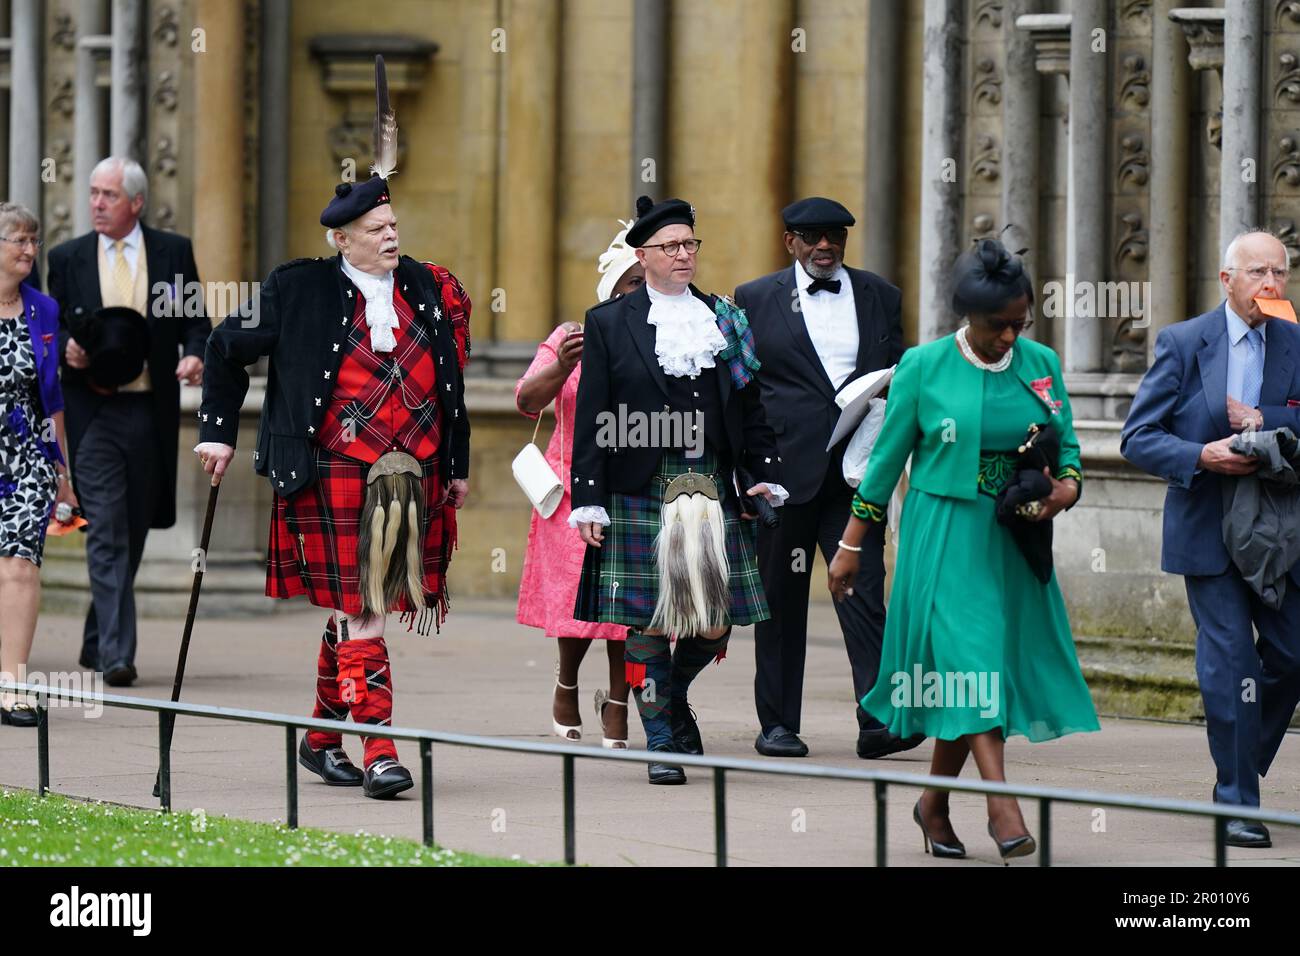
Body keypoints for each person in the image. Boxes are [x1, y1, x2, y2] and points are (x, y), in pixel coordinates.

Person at [194, 58, 472, 799]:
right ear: (343, 238)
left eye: (394, 225)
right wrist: (218, 430)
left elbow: (449, 382)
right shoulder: (298, 288)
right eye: (377, 230)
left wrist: (460, 463)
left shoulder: (427, 286)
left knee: (362, 610)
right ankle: (379, 747)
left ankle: (321, 737)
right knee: (366, 610)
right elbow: (225, 348)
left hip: (411, 479)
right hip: (330, 473)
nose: (392, 237)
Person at [829, 239, 1098, 861]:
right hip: (943, 531)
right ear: (966, 317)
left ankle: (932, 803)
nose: (1010, 336)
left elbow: (1070, 450)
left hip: (1013, 537)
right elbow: (883, 463)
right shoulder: (923, 368)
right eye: (997, 325)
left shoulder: (1040, 363)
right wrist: (851, 546)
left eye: (1019, 323)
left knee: (972, 671)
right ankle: (1001, 804)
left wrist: (1064, 491)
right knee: (972, 656)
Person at [571, 195, 787, 784]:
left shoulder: (724, 318)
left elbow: (750, 403)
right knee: (646, 621)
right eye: (670, 247)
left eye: (690, 244)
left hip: (712, 484)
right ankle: (660, 739)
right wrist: (586, 496)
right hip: (639, 485)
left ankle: (668, 696)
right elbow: (593, 415)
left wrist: (762, 473)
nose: (683, 255)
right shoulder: (609, 322)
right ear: (642, 256)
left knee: (715, 619)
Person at [1121, 229, 1300, 848]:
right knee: (1230, 662)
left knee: (1292, 656)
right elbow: (1137, 436)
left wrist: (1260, 423)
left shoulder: (1297, 342)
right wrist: (1203, 453)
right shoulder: (1183, 341)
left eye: (1279, 272)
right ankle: (1238, 803)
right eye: (1257, 273)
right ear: (1227, 281)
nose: (1271, 285)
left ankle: (1241, 770)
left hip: (1281, 528)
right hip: (1208, 527)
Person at [735, 196, 918, 759]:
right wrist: (747, 474)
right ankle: (779, 725)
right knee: (780, 601)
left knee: (864, 594)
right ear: (789, 239)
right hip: (784, 477)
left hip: (856, 474)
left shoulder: (880, 295)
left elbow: (899, 376)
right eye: (811, 235)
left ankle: (878, 719)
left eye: (834, 235)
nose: (824, 245)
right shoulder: (753, 298)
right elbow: (742, 394)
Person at [47, 157, 209, 686]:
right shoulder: (66, 257)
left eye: (108, 195)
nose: (96, 202)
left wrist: (194, 353)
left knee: (133, 529)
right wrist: (67, 348)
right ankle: (118, 654)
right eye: (92, 193)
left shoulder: (172, 251)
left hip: (148, 410)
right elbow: (54, 327)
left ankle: (97, 640)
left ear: (136, 203)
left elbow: (195, 320)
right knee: (108, 531)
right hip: (93, 412)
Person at [515, 221, 644, 748]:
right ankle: (566, 683)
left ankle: (618, 702)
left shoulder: (664, 339)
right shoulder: (572, 337)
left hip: (634, 485)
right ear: (612, 291)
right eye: (631, 282)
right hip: (570, 490)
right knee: (576, 599)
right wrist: (561, 367)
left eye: (645, 281)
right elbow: (527, 400)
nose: (640, 290)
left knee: (628, 607)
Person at [0, 203, 77, 726]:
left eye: (34, 241)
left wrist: (64, 477)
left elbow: (52, 400)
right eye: (19, 240)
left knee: (21, 565)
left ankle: (13, 686)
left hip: (29, 456)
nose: (30, 251)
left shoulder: (43, 310)